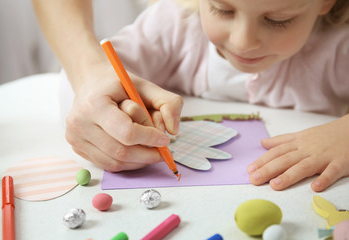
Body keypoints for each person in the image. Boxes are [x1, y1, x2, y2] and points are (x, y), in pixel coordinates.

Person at [34, 0, 349, 192]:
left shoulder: (338, 47)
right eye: (221, 9)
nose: (243, 42)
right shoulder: (173, 25)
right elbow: (86, 85)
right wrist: (115, 110)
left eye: (278, 19)